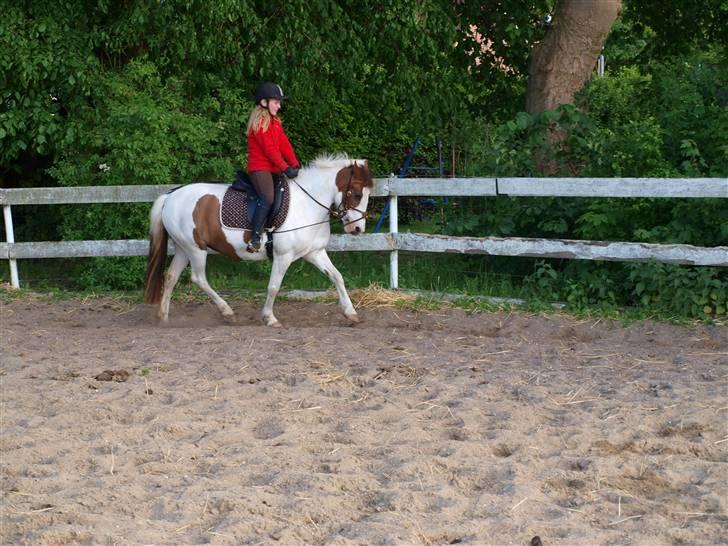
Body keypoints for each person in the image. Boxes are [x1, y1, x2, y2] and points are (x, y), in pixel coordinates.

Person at [245, 82, 300, 252]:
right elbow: (269, 150)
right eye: (276, 102)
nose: (279, 105)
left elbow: (284, 144)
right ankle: (254, 237)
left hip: (273, 169)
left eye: (279, 102)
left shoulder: (275, 122)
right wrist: (285, 167)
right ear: (264, 102)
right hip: (260, 168)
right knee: (267, 198)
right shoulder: (261, 122)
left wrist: (295, 164)